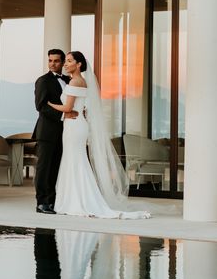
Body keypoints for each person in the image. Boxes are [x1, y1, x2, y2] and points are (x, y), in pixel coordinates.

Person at [47, 51, 150, 220]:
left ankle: (76, 201)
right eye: (65, 61)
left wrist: (50, 103)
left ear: (79, 64)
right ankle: (77, 199)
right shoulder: (83, 81)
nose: (65, 64)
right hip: (77, 124)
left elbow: (67, 108)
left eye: (69, 61)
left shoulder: (75, 81)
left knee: (75, 160)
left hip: (74, 126)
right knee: (76, 160)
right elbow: (78, 107)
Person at [32, 49, 76, 214]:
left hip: (65, 132)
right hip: (47, 132)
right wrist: (64, 114)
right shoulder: (43, 81)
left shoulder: (68, 80)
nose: (52, 64)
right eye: (50, 60)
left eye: (56, 61)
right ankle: (42, 203)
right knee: (44, 169)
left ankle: (53, 201)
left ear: (63, 62)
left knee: (56, 167)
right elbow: (41, 106)